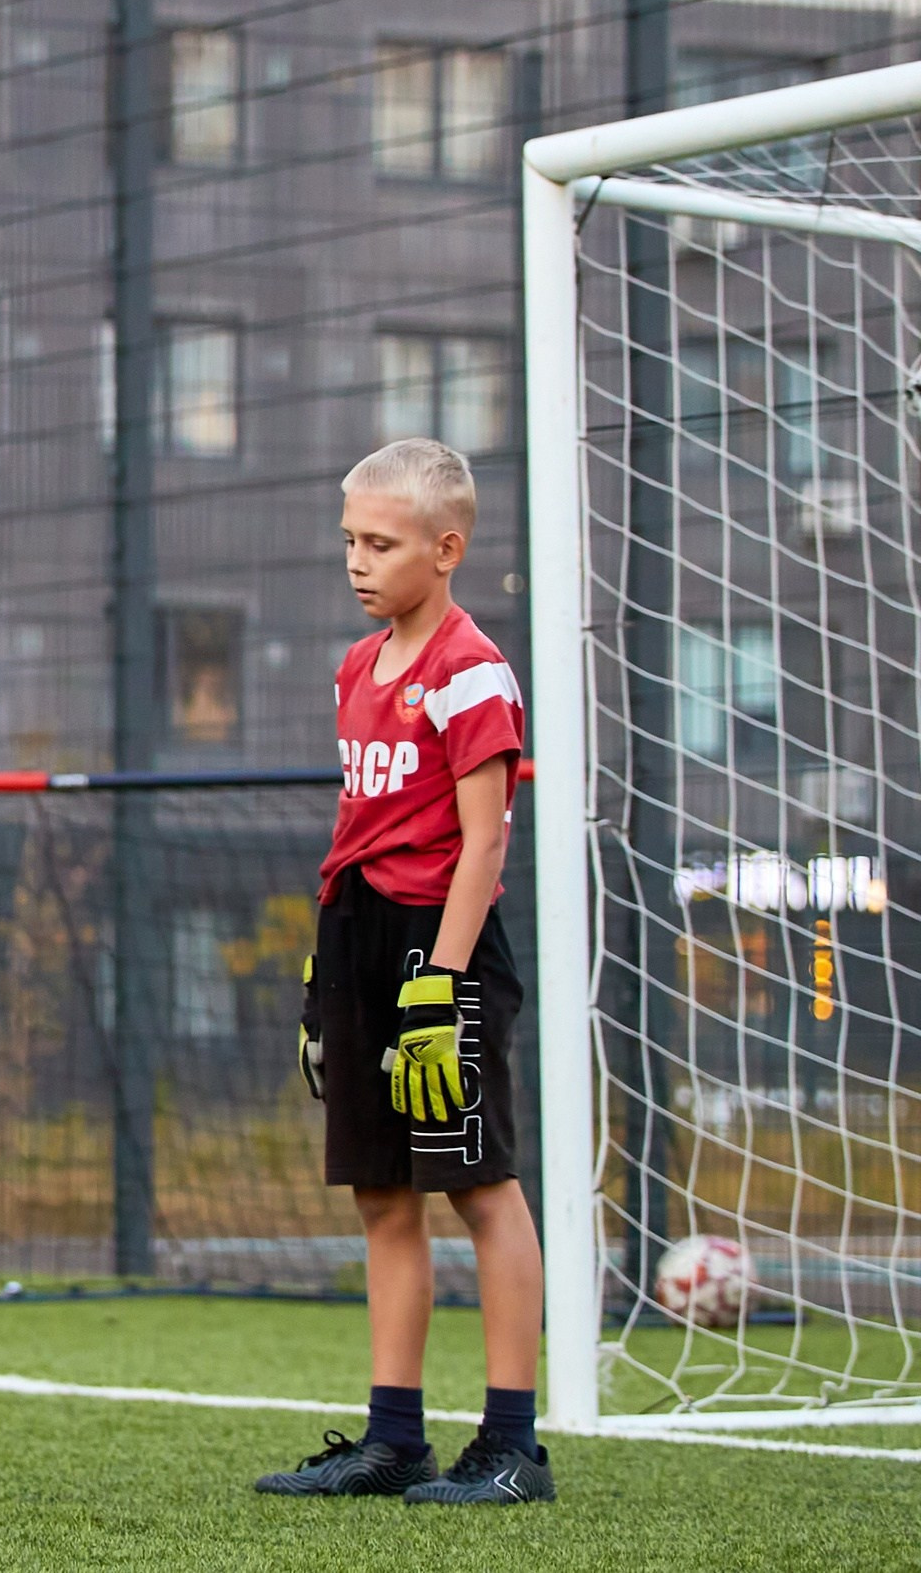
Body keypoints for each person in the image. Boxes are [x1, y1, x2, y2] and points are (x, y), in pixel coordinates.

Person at [255, 437, 556, 1506]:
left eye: (380, 543)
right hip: (358, 938)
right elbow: (355, 822)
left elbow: (483, 844)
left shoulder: (470, 670)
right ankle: (394, 1440)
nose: (357, 560)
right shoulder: (353, 664)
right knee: (383, 1195)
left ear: (446, 548)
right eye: (348, 540)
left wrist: (443, 982)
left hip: (444, 945)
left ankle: (514, 1445)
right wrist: (317, 970)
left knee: (478, 1187)